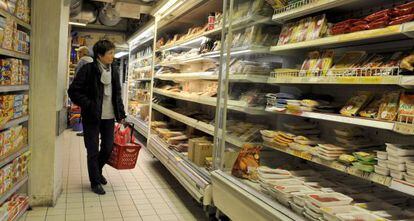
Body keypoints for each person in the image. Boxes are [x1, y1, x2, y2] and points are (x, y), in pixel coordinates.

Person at [68, 40, 127, 195]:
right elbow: (73, 91)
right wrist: (89, 104)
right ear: (100, 55)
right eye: (110, 53)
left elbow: (117, 95)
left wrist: (121, 114)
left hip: (109, 117)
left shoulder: (114, 70)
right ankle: (95, 181)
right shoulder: (88, 70)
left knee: (107, 148)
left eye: (113, 53)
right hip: (92, 117)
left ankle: (97, 171)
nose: (113, 56)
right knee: (92, 150)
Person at [74, 46, 93, 136]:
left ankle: (85, 131)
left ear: (82, 53)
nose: (78, 54)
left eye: (79, 53)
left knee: (85, 113)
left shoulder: (82, 61)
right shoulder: (92, 61)